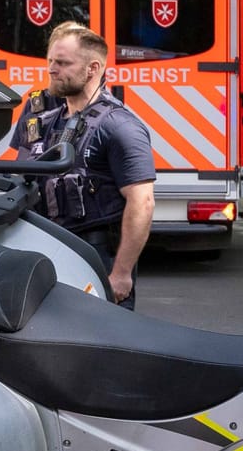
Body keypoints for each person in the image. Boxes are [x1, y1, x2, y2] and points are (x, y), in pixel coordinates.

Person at [9, 23, 155, 308]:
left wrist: (121, 274)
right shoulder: (46, 120)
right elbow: (20, 176)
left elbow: (143, 202)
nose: (52, 69)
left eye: (62, 63)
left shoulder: (120, 126)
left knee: (103, 344)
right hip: (48, 250)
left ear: (92, 68)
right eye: (51, 61)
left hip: (95, 254)